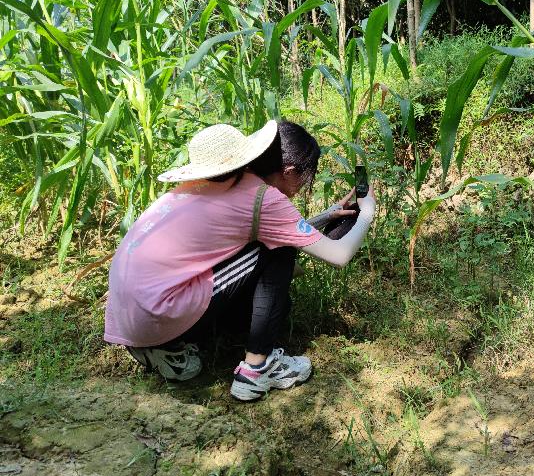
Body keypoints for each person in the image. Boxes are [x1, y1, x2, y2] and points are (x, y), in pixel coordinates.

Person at [104, 119, 376, 401]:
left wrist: (326, 216)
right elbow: (338, 255)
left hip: (132, 314)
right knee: (281, 251)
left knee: (274, 266)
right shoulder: (264, 198)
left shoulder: (203, 184)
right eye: (305, 176)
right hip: (159, 310)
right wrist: (367, 212)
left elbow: (272, 229)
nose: (305, 183)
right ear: (289, 171)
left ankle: (163, 348)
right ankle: (257, 369)